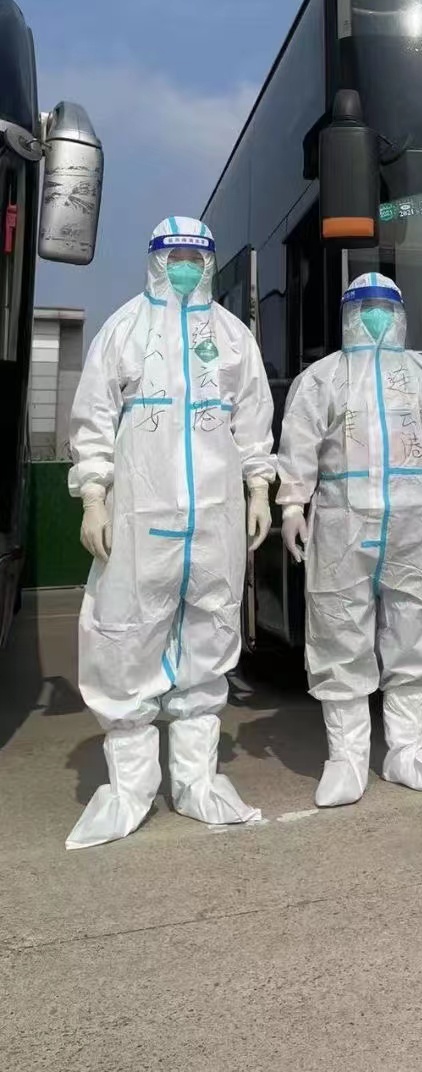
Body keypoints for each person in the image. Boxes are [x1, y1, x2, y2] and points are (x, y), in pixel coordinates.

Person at [67, 217, 275, 850]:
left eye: (196, 256)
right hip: (141, 515)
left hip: (213, 518)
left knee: (209, 637)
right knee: (125, 637)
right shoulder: (124, 328)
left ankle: (197, 783)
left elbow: (253, 416)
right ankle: (130, 791)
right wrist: (94, 495)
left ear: (209, 263)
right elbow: (94, 415)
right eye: (175, 255)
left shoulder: (233, 335)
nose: (186, 265)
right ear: (156, 260)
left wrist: (259, 486)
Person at [276, 273, 422, 805]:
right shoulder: (323, 377)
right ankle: (345, 759)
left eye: (385, 307)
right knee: (338, 631)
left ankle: (407, 750)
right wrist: (293, 503)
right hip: (340, 518)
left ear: (400, 315)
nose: (375, 315)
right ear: (348, 314)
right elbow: (298, 442)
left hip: (413, 520)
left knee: (415, 628)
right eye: (365, 306)